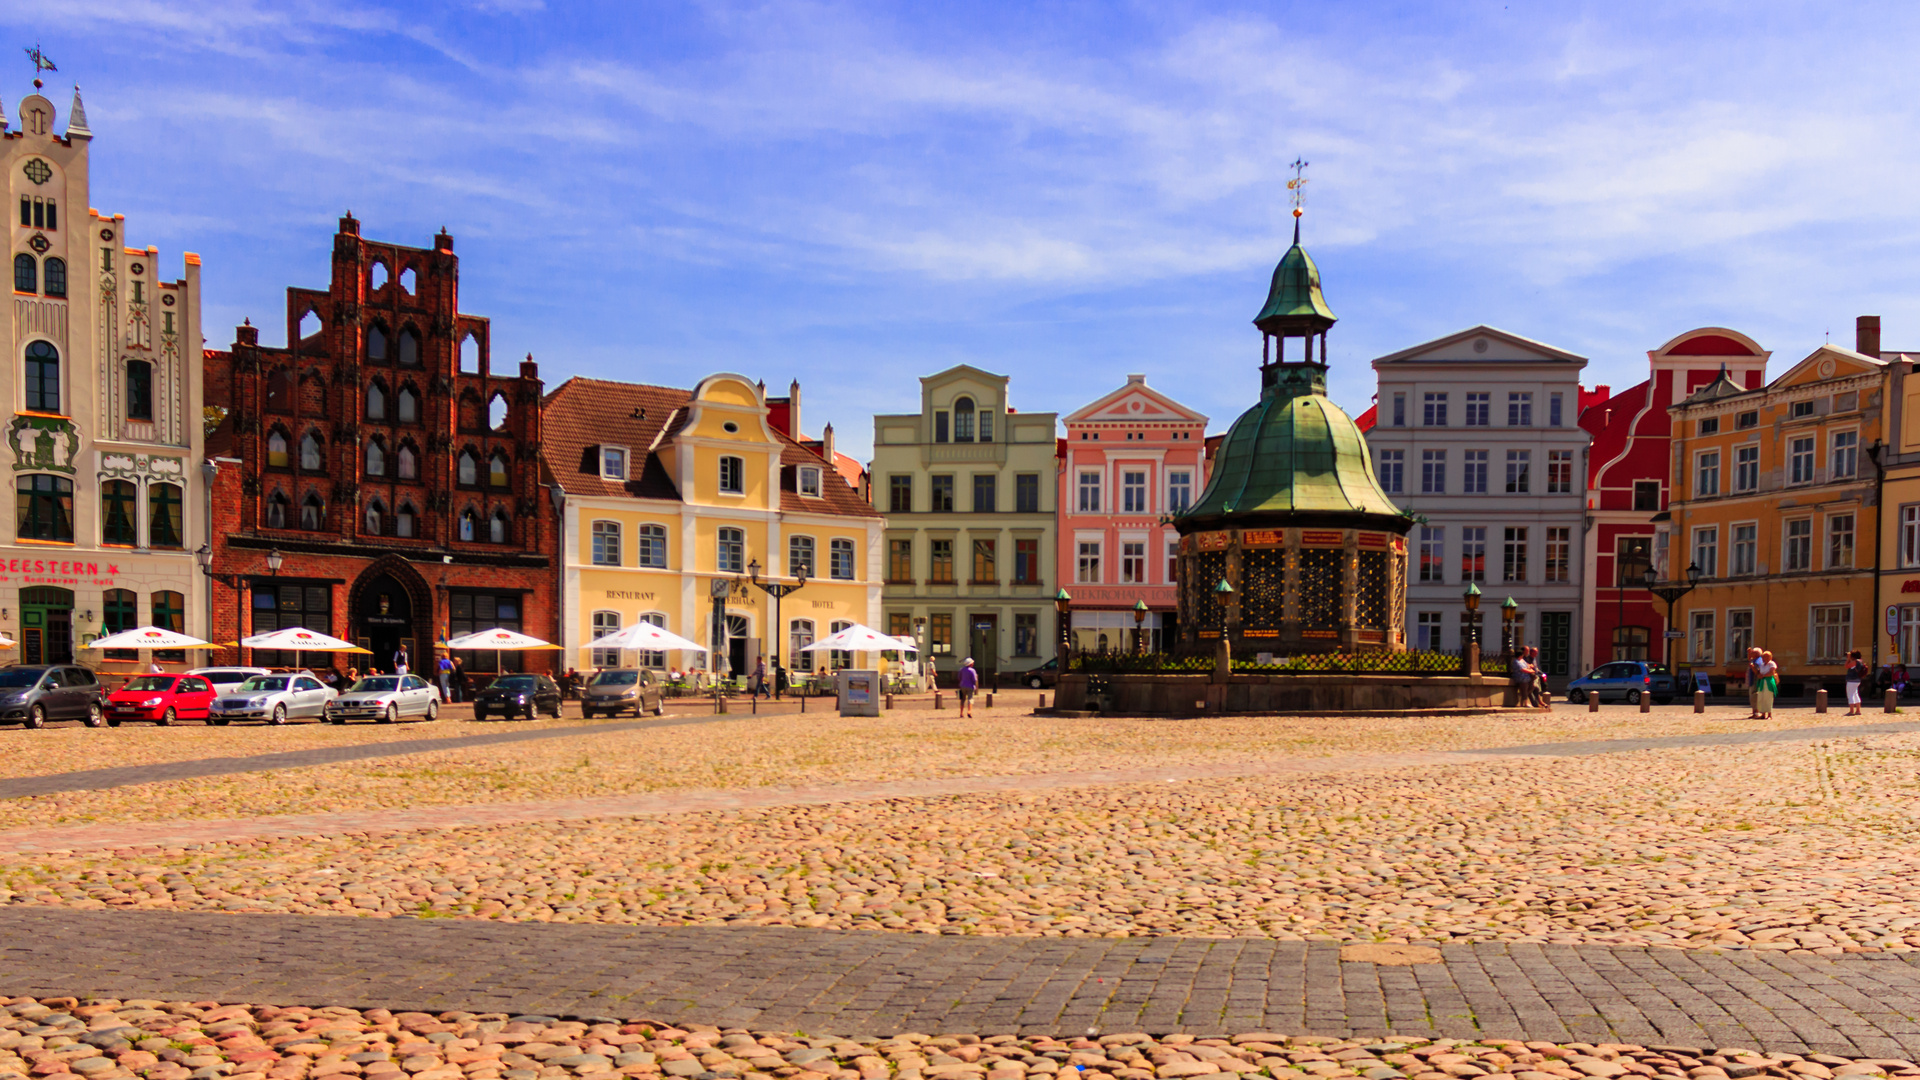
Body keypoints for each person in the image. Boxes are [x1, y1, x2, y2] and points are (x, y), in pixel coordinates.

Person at [1753, 649, 1779, 719]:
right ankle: (1763, 713)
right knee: (1761, 697)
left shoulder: (1772, 663)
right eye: (1764, 657)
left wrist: (1763, 676)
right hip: (1762, 682)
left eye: (1767, 657)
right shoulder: (1762, 665)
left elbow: (1771, 673)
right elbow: (1759, 673)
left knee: (1768, 698)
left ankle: (1769, 714)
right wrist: (1759, 676)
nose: (1766, 658)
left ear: (1770, 657)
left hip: (1769, 682)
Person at [1845, 649, 1868, 716]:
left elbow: (1846, 666)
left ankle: (1851, 710)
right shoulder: (1860, 661)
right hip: (1857, 680)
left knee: (1850, 694)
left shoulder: (1855, 662)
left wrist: (1848, 659)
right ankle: (1858, 710)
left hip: (1852, 680)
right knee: (1855, 694)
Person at [1745, 647, 1765, 718]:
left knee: (1754, 696)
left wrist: (1753, 667)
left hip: (1755, 681)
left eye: (1752, 652)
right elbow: (1749, 659)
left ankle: (1756, 712)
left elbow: (1757, 672)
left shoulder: (1758, 661)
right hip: (1752, 681)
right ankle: (1754, 712)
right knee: (1752, 696)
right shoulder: (1754, 659)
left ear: (1756, 654)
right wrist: (1749, 653)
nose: (1751, 654)